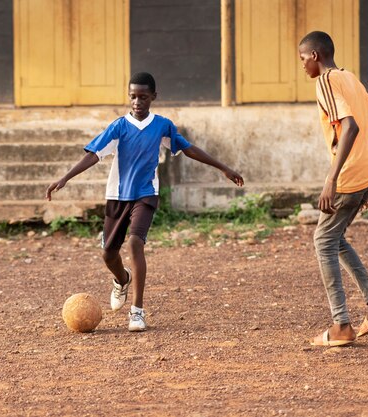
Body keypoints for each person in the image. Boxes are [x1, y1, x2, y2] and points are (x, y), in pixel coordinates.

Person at [46, 72, 244, 332]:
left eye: (142, 97)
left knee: (135, 243)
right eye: (132, 96)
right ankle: (122, 279)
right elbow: (94, 155)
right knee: (108, 253)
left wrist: (223, 168)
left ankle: (137, 312)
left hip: (146, 194)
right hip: (118, 196)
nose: (137, 101)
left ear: (153, 97)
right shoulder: (119, 126)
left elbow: (188, 148)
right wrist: (65, 178)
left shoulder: (162, 125)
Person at [298, 32, 368, 347]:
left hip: (350, 175)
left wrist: (332, 178)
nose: (302, 66)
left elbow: (350, 126)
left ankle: (341, 325)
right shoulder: (352, 78)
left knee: (323, 240)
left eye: (302, 59)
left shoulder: (325, 81)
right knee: (334, 237)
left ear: (315, 56)